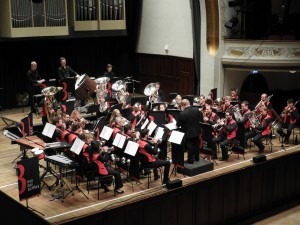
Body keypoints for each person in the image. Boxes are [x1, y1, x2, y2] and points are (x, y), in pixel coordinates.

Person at [177, 99, 202, 164]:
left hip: (188, 132)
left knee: (189, 146)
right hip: (197, 131)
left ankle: (190, 160)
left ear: (183, 105)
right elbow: (200, 119)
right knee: (196, 145)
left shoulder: (182, 113)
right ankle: (197, 158)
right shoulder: (196, 110)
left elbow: (178, 124)